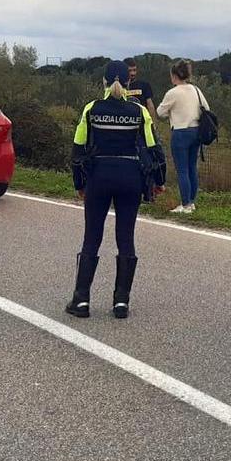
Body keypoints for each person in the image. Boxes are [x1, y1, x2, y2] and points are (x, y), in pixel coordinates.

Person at [67, 60, 166, 319]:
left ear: (103, 81)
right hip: (130, 178)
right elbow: (154, 147)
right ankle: (121, 302)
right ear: (129, 82)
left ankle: (81, 300)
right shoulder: (138, 111)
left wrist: (79, 184)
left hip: (98, 177)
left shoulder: (91, 109)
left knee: (92, 237)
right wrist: (159, 181)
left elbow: (78, 149)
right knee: (126, 238)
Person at [157, 59, 207, 214]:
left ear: (174, 75)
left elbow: (160, 112)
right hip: (196, 131)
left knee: (182, 170)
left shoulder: (173, 93)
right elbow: (206, 108)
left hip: (180, 132)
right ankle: (191, 202)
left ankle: (185, 204)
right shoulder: (196, 90)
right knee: (192, 167)